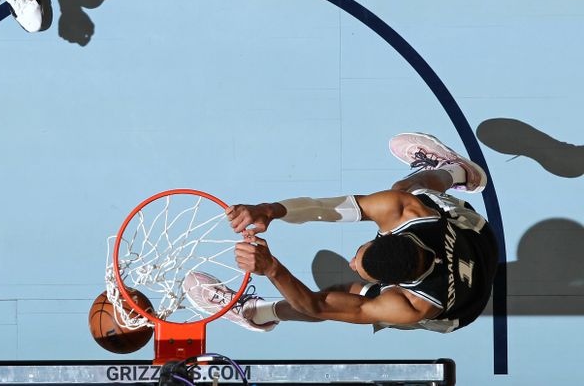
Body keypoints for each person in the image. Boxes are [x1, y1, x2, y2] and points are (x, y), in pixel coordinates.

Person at [184, 133, 499, 334]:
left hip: (461, 306)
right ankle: (459, 170)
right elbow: (326, 207)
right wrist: (270, 209)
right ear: (391, 234)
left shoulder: (412, 305)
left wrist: (273, 269)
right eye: (358, 254)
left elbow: (317, 305)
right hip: (478, 241)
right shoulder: (405, 211)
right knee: (407, 189)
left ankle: (255, 313)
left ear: (396, 286)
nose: (350, 261)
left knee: (344, 297)